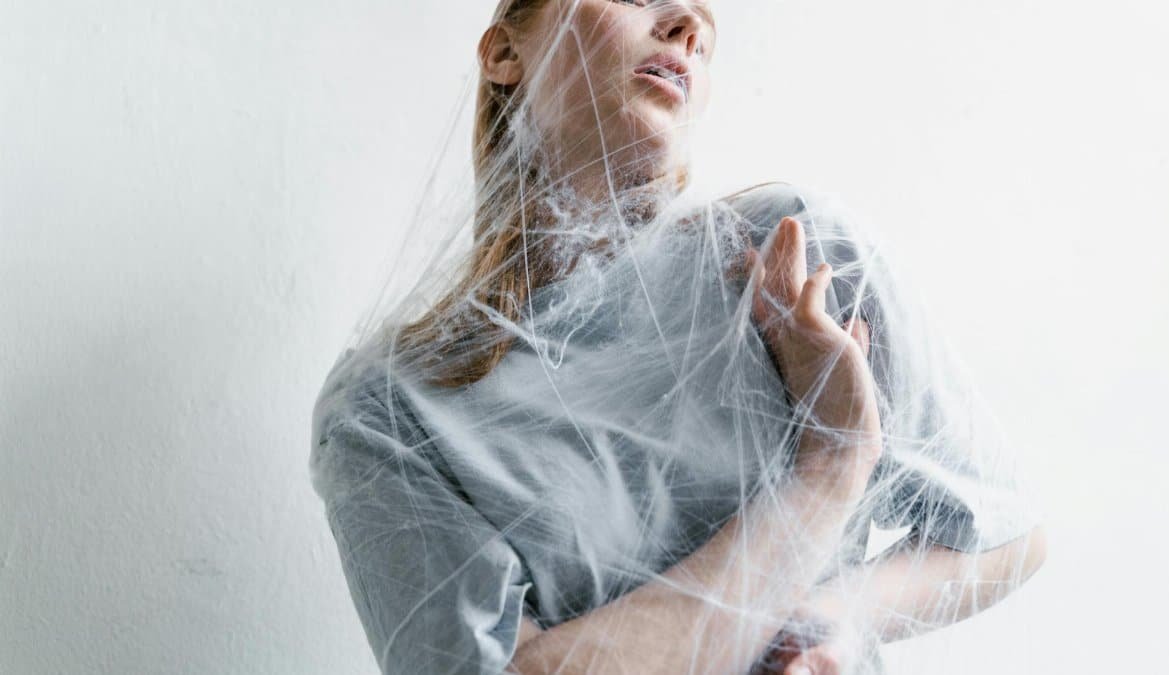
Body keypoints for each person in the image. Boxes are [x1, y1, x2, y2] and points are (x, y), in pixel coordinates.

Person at [309, 1, 1048, 673]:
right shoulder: (387, 411)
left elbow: (1005, 534)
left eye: (703, 24)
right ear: (505, 53)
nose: (687, 24)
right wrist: (835, 466)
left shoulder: (792, 255)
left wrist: (821, 619)